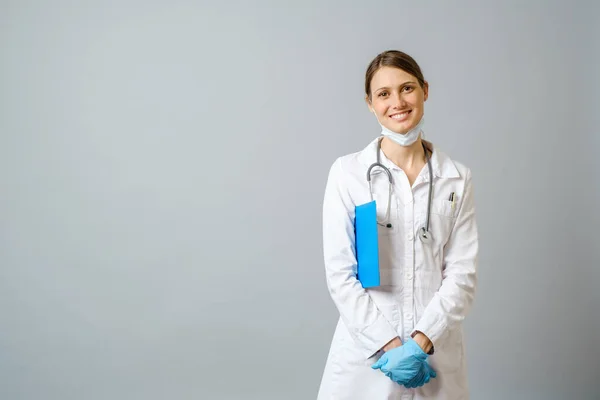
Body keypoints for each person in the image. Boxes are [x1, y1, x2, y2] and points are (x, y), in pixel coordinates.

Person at [317, 50, 479, 399]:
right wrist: (389, 346)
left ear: (425, 90)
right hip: (368, 356)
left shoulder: (456, 179)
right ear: (370, 103)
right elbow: (340, 275)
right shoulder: (348, 174)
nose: (397, 102)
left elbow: (462, 275)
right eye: (384, 94)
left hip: (434, 352)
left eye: (407, 88)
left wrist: (420, 343)